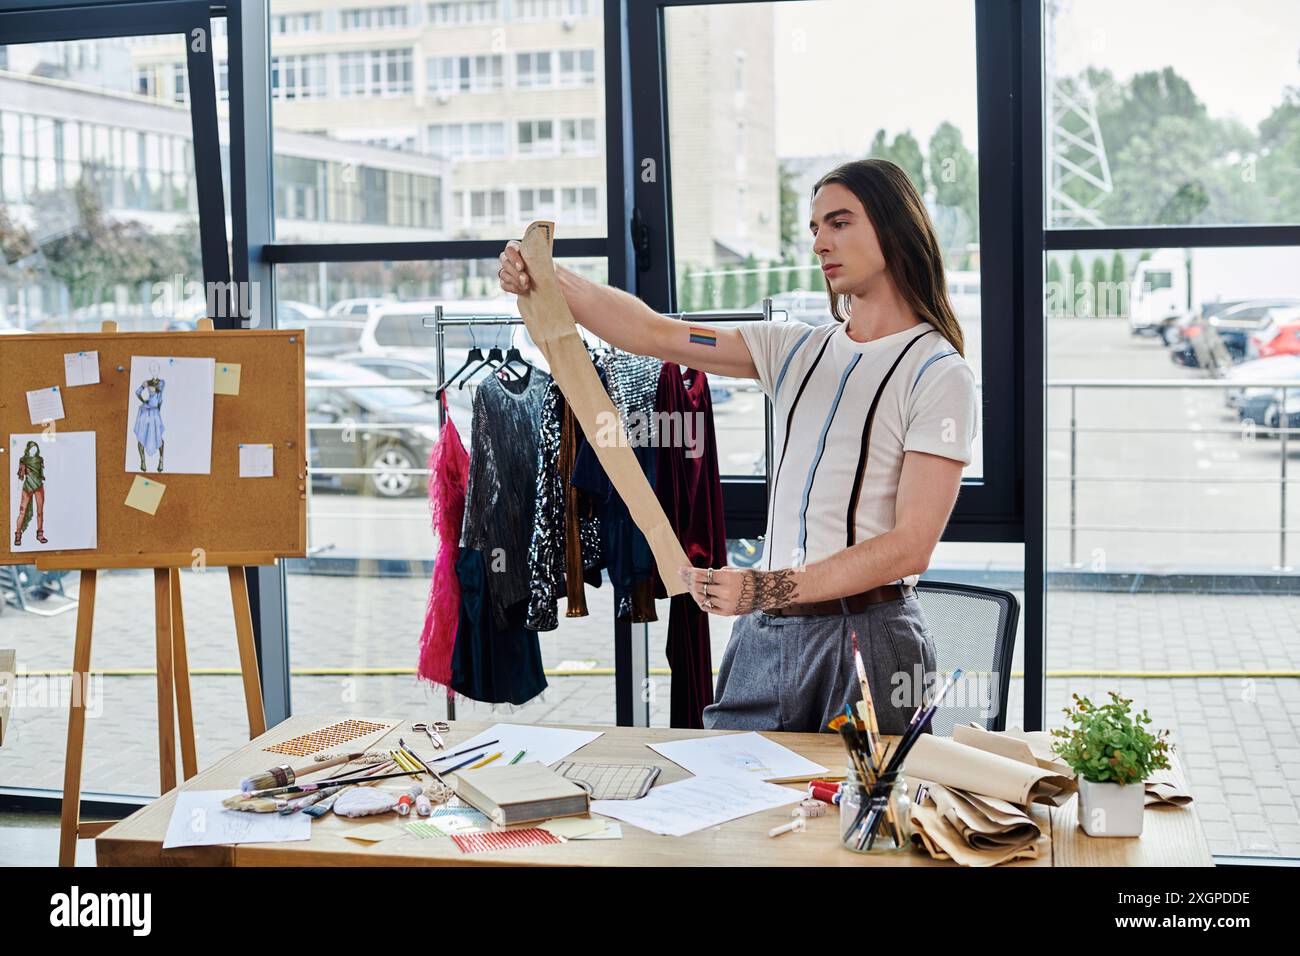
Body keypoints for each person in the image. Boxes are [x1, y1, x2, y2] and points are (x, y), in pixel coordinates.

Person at [496, 158, 978, 734]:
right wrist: (548, 279)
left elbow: (910, 547)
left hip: (868, 638)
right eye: (816, 228)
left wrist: (763, 586)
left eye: (840, 222)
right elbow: (655, 332)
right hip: (764, 635)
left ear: (897, 227)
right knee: (730, 802)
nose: (821, 241)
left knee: (861, 818)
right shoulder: (794, 349)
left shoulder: (938, 372)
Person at [134, 361, 166, 473]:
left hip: (155, 412)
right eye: (151, 368)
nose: (153, 370)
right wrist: (144, 401)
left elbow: (158, 391)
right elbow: (137, 392)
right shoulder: (147, 382)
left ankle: (161, 460)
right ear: (150, 370)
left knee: (158, 436)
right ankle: (142, 461)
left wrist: (147, 385)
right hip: (146, 411)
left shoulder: (161, 382)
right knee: (142, 436)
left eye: (155, 368)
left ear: (158, 369)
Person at [14, 440, 46, 547]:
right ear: (28, 449)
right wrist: (18, 486)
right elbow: (20, 476)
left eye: (35, 448)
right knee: (22, 512)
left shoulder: (40, 459)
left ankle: (40, 535)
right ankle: (18, 535)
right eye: (32, 448)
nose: (34, 450)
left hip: (39, 487)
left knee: (40, 512)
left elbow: (41, 474)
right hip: (27, 487)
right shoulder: (23, 460)